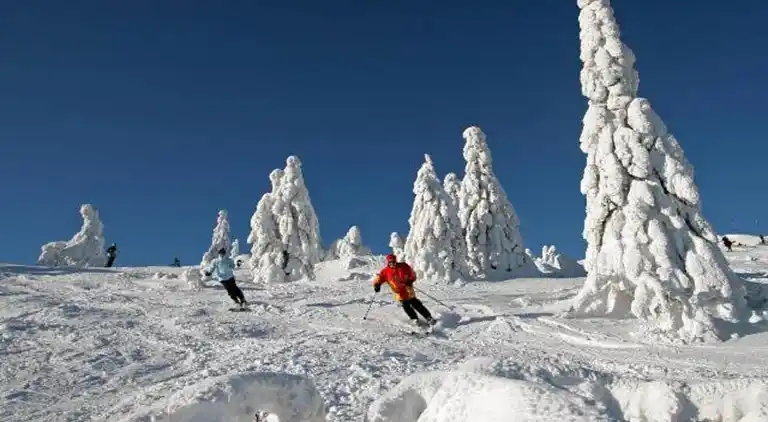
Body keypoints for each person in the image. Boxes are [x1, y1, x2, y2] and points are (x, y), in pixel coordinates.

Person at [372, 254, 436, 327]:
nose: (392, 263)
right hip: (399, 292)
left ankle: (429, 318)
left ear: (395, 261)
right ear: (388, 262)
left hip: (408, 288)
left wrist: (410, 280)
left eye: (393, 261)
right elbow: (379, 278)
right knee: (406, 305)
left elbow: (413, 274)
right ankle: (415, 319)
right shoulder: (385, 271)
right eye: (390, 262)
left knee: (415, 303)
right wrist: (377, 285)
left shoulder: (404, 266)